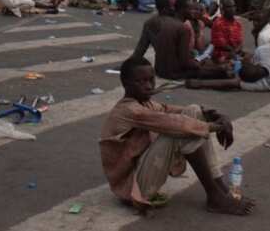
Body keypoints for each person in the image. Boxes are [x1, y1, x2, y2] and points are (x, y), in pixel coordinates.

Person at [99, 56, 253, 215]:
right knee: (182, 131)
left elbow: (171, 110)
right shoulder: (129, 110)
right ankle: (214, 196)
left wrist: (216, 116)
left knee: (193, 111)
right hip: (133, 189)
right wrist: (217, 127)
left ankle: (220, 188)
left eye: (151, 80)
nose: (148, 86)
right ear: (125, 83)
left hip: (143, 175)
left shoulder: (145, 103)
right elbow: (175, 123)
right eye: (141, 82)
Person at [131, 0, 200, 80]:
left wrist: (129, 66)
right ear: (182, 10)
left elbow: (140, 50)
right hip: (176, 72)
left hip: (159, 70)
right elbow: (184, 61)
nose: (194, 12)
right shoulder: (183, 28)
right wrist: (198, 64)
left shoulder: (151, 22)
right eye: (191, 9)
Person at [210, 0, 243, 64]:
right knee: (227, 63)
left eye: (233, 6)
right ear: (223, 9)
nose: (232, 9)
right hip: (221, 53)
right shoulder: (218, 23)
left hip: (235, 52)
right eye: (229, 7)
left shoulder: (238, 23)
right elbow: (222, 44)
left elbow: (240, 42)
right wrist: (233, 53)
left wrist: (236, 52)